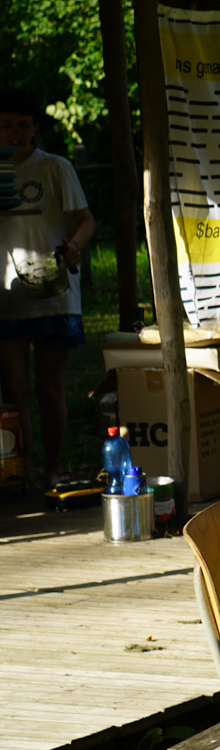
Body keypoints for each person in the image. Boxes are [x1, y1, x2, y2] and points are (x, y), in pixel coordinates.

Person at [0, 89, 95, 490]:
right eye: (7, 125)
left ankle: (53, 471)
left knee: (49, 390)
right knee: (14, 393)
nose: (15, 133)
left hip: (55, 295)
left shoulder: (56, 167)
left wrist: (74, 246)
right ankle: (20, 471)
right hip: (6, 298)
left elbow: (87, 221)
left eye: (23, 125)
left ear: (35, 127)